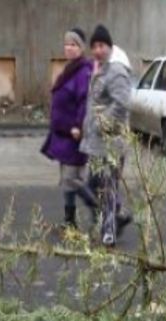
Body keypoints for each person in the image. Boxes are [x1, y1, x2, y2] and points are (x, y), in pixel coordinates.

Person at [80, 24, 133, 247]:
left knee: (109, 188)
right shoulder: (99, 69)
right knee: (91, 186)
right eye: (94, 46)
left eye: (101, 46)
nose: (97, 50)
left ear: (109, 47)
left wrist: (102, 124)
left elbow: (122, 103)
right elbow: (94, 103)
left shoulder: (117, 71)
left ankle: (108, 234)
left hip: (112, 143)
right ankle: (118, 217)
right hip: (96, 143)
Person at [41, 28, 96, 230]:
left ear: (81, 48)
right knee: (68, 179)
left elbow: (84, 101)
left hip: (73, 135)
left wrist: (78, 126)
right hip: (63, 134)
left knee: (73, 179)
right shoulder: (70, 69)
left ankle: (100, 210)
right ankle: (70, 220)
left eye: (73, 44)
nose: (69, 48)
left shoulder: (83, 71)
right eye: (67, 44)